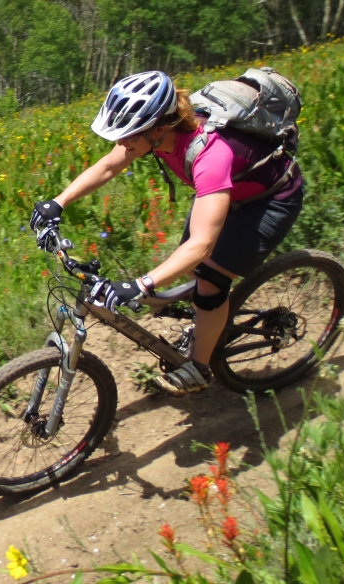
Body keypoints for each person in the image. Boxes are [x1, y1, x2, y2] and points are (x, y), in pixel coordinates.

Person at [30, 70, 304, 396]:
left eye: (130, 135)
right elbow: (109, 165)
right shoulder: (158, 134)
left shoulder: (211, 155)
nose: (122, 143)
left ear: (159, 128)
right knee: (192, 266)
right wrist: (58, 203)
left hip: (269, 200)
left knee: (210, 281)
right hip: (228, 190)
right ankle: (204, 319)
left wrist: (139, 284)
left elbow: (202, 245)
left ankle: (200, 368)